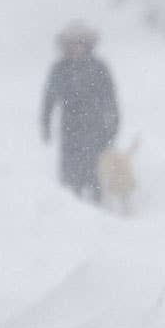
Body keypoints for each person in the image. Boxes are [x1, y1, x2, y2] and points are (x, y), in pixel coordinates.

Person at [40, 21, 120, 201]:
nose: (76, 48)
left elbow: (111, 100)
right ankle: (72, 211)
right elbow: (49, 99)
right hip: (70, 129)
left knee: (96, 174)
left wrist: (113, 126)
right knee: (70, 178)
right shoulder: (59, 69)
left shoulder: (99, 68)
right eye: (72, 44)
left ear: (88, 45)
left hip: (96, 129)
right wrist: (45, 125)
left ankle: (99, 212)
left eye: (80, 43)